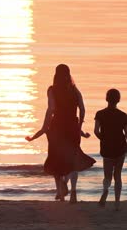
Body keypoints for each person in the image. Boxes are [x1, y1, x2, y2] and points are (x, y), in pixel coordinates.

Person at [26, 64, 95, 203]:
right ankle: (73, 192)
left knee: (55, 159)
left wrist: (44, 128)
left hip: (56, 128)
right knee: (73, 159)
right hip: (72, 128)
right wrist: (79, 126)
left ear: (56, 75)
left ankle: (61, 193)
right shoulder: (75, 90)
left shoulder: (52, 90)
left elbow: (51, 108)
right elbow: (82, 108)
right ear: (69, 74)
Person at [26, 129, 91, 200]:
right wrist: (84, 135)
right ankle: (65, 182)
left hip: (54, 144)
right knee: (70, 166)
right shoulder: (68, 119)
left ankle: (60, 193)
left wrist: (32, 138)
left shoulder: (51, 120)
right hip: (68, 142)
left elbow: (44, 129)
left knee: (56, 169)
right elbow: (75, 126)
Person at [94, 88, 127, 210]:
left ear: (106, 98)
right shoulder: (123, 115)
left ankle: (106, 190)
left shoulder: (100, 114)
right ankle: (117, 203)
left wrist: (103, 139)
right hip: (120, 148)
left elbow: (96, 131)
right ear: (118, 100)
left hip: (107, 148)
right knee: (117, 175)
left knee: (107, 175)